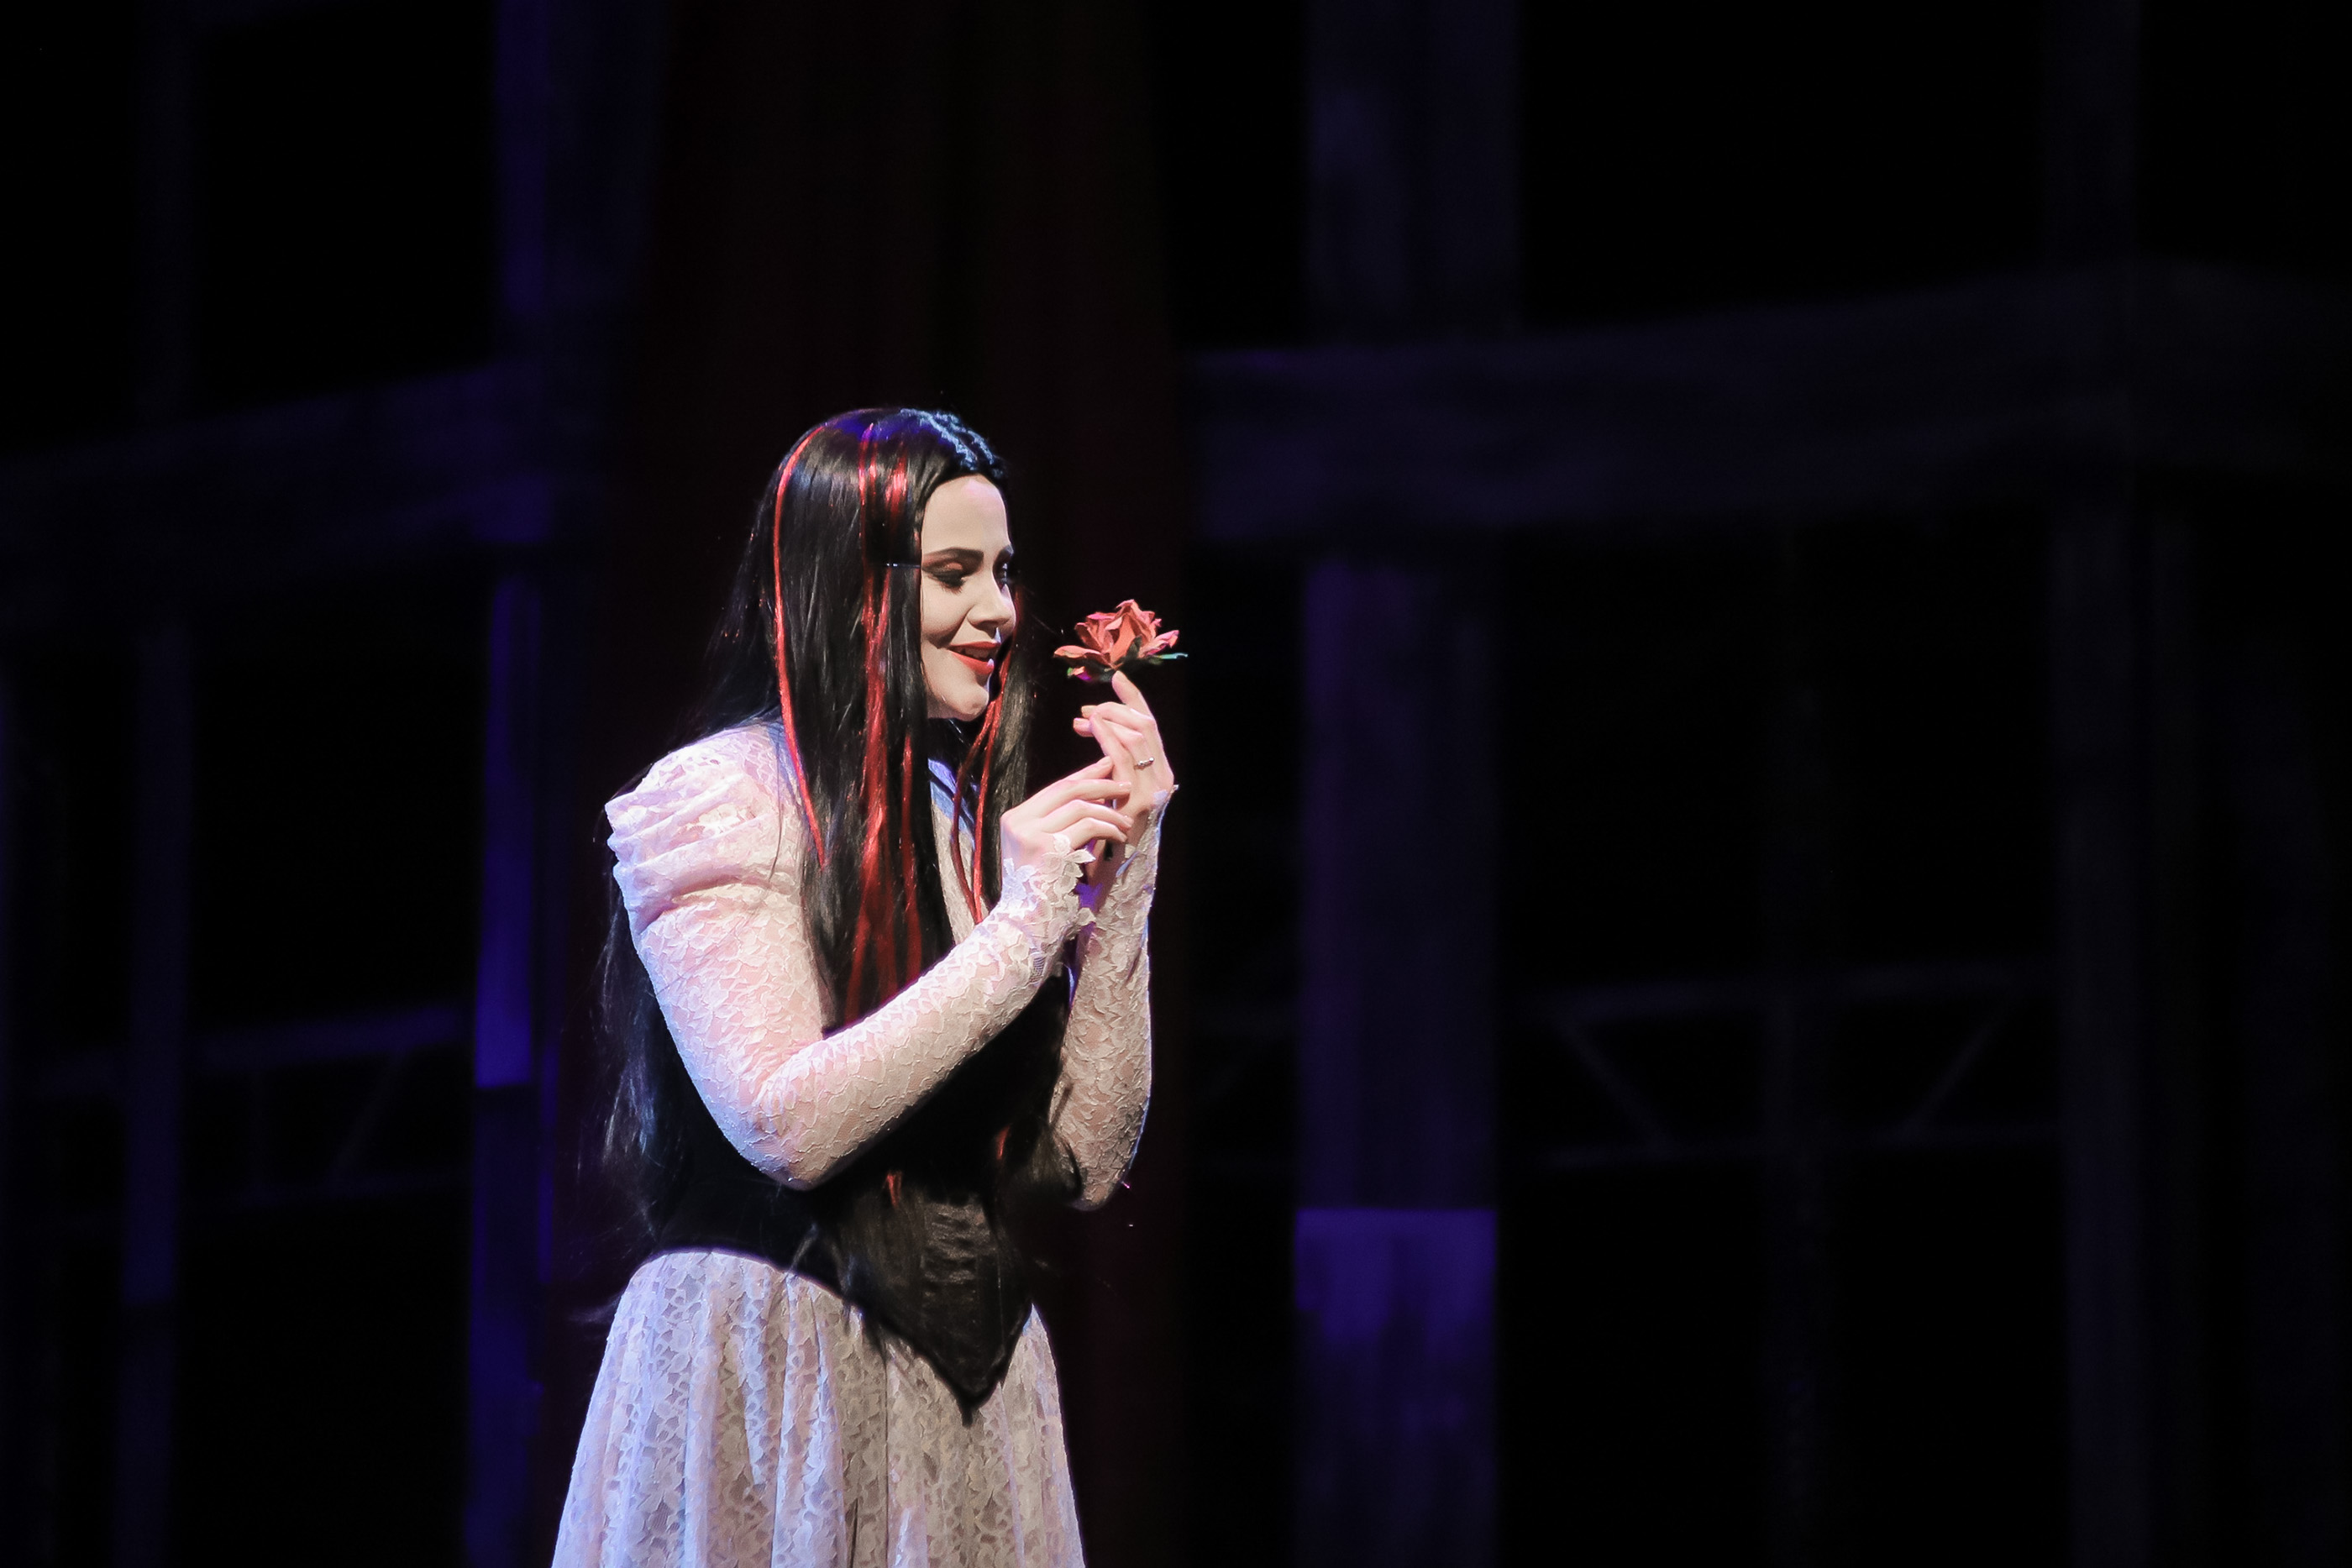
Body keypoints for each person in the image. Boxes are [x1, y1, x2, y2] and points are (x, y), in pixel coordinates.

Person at [553, 409, 1172, 1567]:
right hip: (777, 1361)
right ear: (848, 591)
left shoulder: (963, 822)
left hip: (970, 1400)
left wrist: (1124, 880)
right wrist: (1027, 921)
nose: (999, 610)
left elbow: (1085, 1160)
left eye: (1003, 572)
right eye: (954, 573)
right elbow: (786, 1125)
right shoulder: (722, 798)